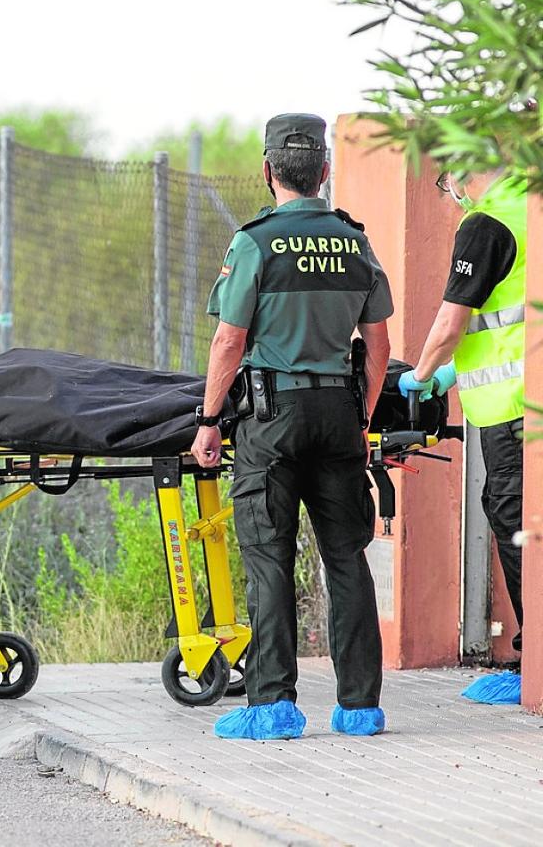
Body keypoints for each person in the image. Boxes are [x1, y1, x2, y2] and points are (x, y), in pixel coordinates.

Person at [192, 113, 394, 740]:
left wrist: (207, 421)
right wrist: (360, 414)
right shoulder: (353, 241)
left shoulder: (254, 242)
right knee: (346, 558)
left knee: (269, 559)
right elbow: (379, 342)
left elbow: (230, 339)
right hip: (339, 412)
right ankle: (360, 707)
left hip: (271, 419)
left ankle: (273, 705)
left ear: (268, 170)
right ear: (325, 173)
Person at [398, 168, 527, 704]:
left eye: (447, 177)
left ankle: (535, 657)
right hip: (528, 395)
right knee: (503, 508)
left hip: (511, 408)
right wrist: (454, 372)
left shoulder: (485, 222)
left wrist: (422, 377)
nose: (449, 192)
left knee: (514, 516)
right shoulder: (530, 201)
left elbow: (453, 324)